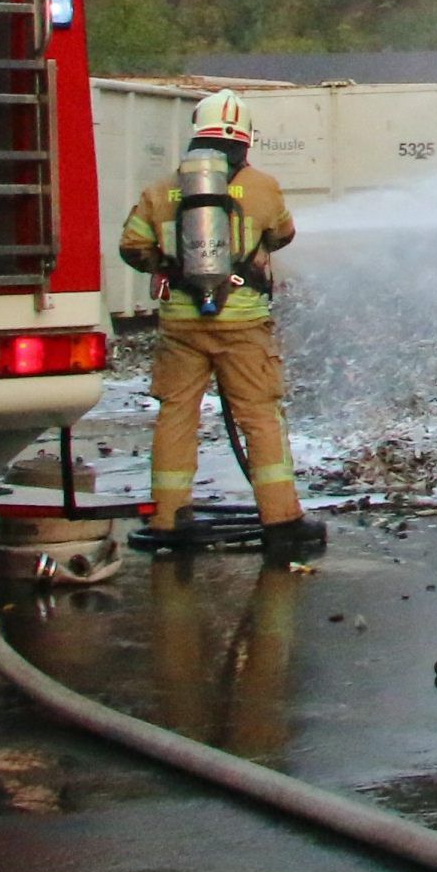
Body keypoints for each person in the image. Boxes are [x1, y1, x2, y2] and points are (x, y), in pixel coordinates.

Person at [118, 91, 323, 560]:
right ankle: (281, 518)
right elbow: (283, 233)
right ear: (245, 139)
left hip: (181, 326)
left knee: (177, 415)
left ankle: (168, 516)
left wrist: (166, 267)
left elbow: (131, 246)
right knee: (260, 416)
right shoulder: (263, 187)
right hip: (243, 324)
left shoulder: (162, 189)